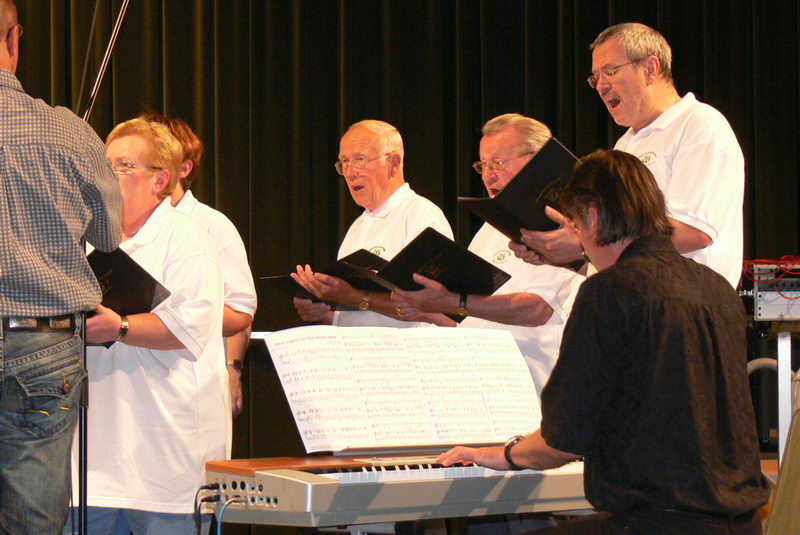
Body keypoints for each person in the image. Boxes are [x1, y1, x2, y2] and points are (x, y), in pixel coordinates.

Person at [438, 149, 769, 535]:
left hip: (659, 524)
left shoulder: (608, 291)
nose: (577, 237)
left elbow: (562, 440)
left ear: (592, 216)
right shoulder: (715, 287)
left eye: (575, 224)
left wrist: (502, 454)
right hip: (742, 524)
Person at [63, 119, 226, 535]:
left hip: (162, 461)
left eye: (124, 166)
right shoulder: (82, 239)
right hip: (90, 463)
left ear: (161, 179)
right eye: (105, 165)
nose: (109, 176)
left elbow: (191, 325)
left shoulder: (186, 236)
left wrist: (118, 328)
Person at [0, 0, 122, 532]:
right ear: (15, 39)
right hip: (42, 342)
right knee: (33, 519)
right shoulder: (67, 132)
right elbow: (109, 234)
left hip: (40, 345)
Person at [513, 23, 744, 289]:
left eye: (610, 71)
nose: (601, 86)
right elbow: (617, 252)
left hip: (686, 305)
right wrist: (558, 252)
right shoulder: (625, 146)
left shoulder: (698, 124)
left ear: (650, 68)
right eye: (595, 78)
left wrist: (583, 242)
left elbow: (694, 233)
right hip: (635, 302)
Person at [392, 114, 583, 395]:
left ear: (536, 159)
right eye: (483, 165)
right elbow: (473, 317)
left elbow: (538, 310)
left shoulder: (561, 226)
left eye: (499, 163)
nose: (488, 175)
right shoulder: (488, 229)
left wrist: (453, 300)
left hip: (535, 390)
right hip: (484, 388)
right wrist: (428, 308)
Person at [140, 112, 257, 422]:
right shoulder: (119, 225)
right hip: (136, 380)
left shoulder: (210, 225)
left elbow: (240, 314)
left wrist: (232, 368)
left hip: (190, 382)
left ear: (182, 168)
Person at [292, 119, 453, 327]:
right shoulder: (358, 226)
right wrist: (320, 312)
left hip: (404, 356)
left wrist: (355, 296)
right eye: (345, 163)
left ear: (394, 163)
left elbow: (437, 311)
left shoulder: (420, 214)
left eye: (360, 160)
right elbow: (358, 318)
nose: (350, 172)